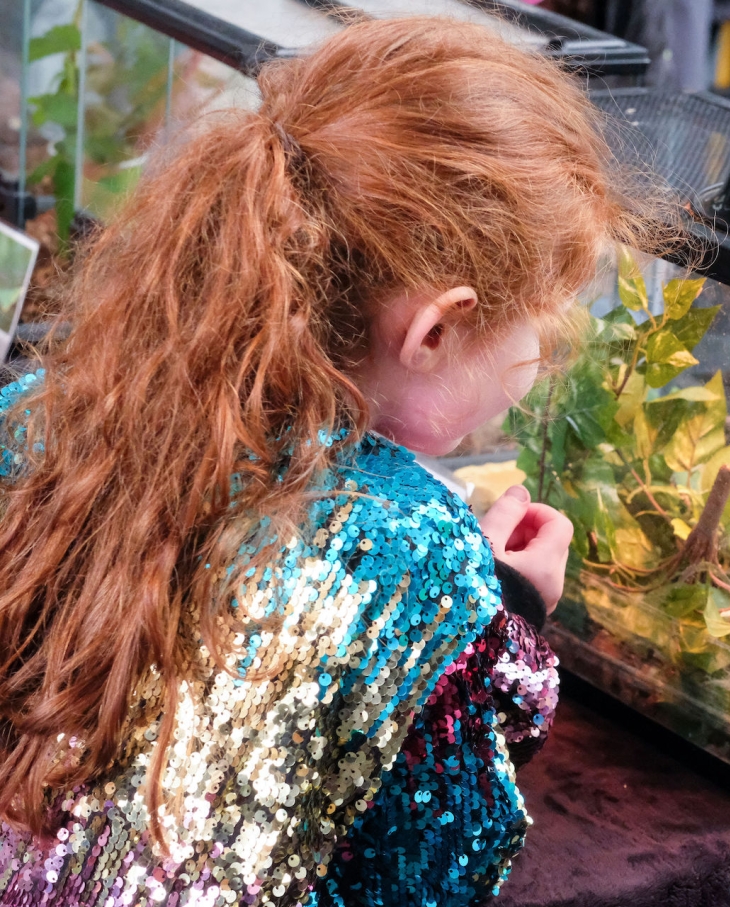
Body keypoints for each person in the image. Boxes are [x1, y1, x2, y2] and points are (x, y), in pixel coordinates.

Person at [0, 16, 677, 907]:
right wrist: (500, 612)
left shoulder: (45, 409)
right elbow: (434, 861)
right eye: (540, 332)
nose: (543, 362)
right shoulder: (415, 555)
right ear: (436, 330)